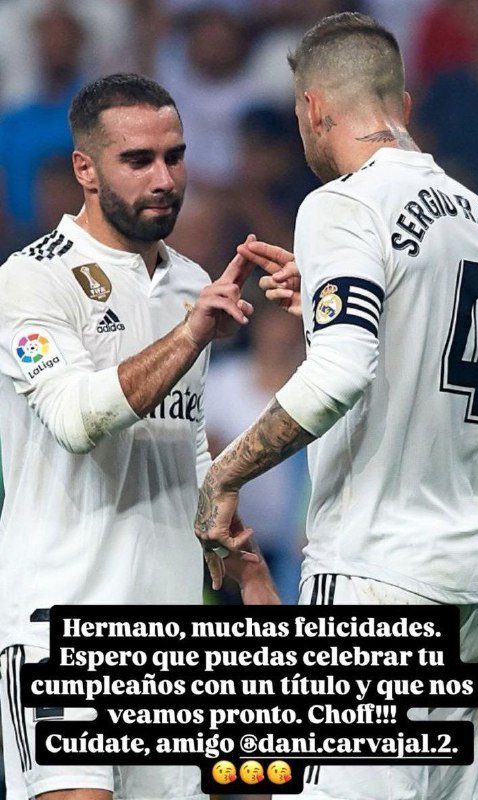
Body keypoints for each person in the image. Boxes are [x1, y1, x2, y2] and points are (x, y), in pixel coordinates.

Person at [194, 12, 478, 800]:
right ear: (401, 102)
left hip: (380, 575)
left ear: (312, 108)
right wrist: (335, 293)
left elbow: (339, 374)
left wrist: (223, 476)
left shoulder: (342, 204)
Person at [0, 72, 279, 800]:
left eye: (175, 156)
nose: (164, 179)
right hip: (59, 623)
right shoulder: (30, 282)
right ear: (85, 169)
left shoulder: (193, 284)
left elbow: (186, 443)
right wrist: (189, 336)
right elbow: (75, 420)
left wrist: (241, 561)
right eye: (138, 160)